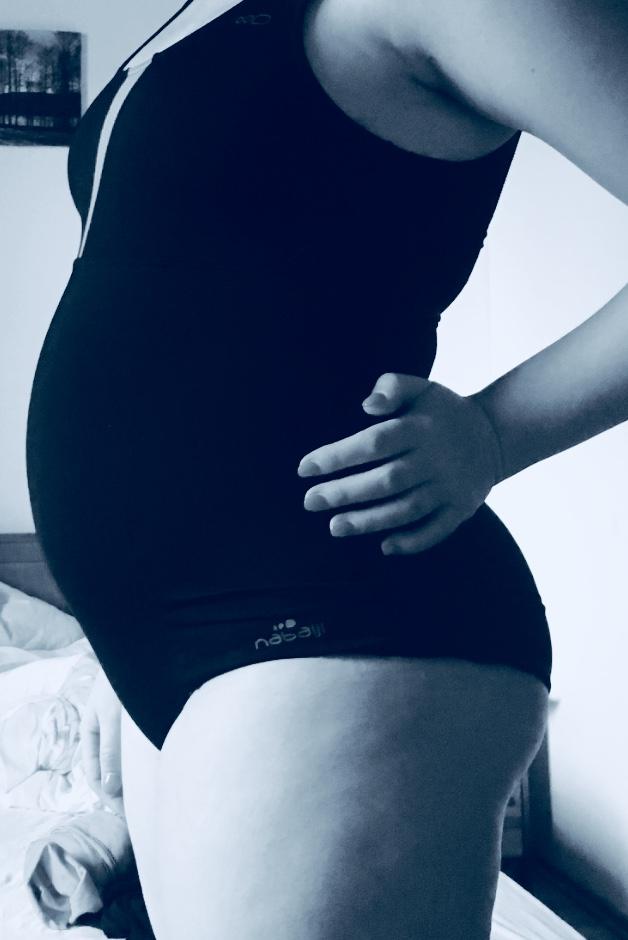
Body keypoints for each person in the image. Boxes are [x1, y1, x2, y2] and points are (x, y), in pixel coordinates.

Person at [24, 0, 627, 937]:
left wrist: (495, 433)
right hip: (174, 645)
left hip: (329, 606)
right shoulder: (206, 15)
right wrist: (115, 636)